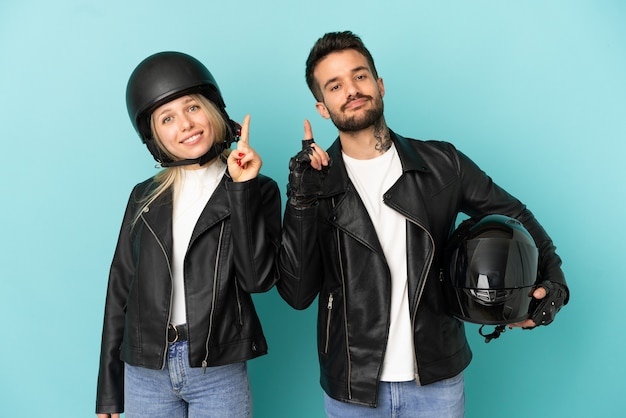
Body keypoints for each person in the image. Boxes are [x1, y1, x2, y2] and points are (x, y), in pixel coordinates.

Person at [277, 31, 569, 418]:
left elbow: (516, 216)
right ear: (323, 108)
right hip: (351, 385)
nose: (351, 89)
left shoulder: (443, 163)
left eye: (359, 76)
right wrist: (300, 201)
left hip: (437, 381)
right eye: (335, 85)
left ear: (379, 85)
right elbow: (297, 294)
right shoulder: (314, 181)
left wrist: (555, 281)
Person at [95, 51, 281, 418]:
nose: (185, 124)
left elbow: (258, 279)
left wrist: (241, 191)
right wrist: (109, 390)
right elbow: (120, 289)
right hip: (145, 369)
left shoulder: (259, 190)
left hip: (217, 368)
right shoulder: (144, 197)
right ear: (155, 136)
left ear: (212, 110)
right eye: (167, 118)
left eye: (192, 108)